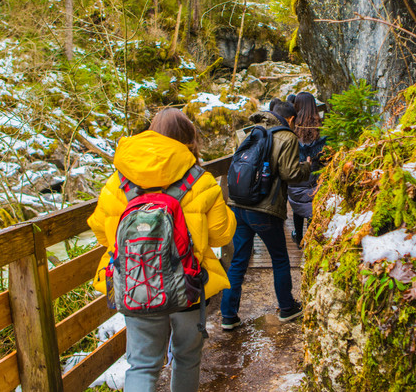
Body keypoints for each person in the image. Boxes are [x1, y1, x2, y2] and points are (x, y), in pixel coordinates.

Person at [87, 108, 236, 392]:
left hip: (137, 284)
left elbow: (100, 232)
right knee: (186, 357)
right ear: (190, 141)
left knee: (142, 365)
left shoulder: (118, 181)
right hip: (186, 287)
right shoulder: (200, 181)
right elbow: (221, 234)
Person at [220, 101, 311, 330]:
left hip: (239, 204)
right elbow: (290, 173)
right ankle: (287, 308)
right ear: (290, 119)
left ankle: (228, 316)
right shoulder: (287, 137)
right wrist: (307, 166)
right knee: (280, 258)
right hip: (264, 209)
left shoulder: (251, 132)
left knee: (239, 260)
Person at [288, 92, 327, 247]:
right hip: (314, 178)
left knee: (297, 206)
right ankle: (311, 239)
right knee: (311, 206)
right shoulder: (320, 129)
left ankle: (298, 237)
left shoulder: (292, 129)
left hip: (296, 177)